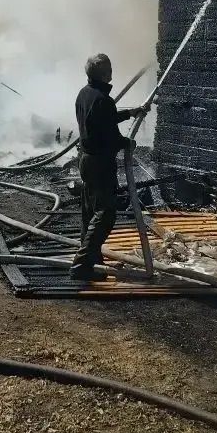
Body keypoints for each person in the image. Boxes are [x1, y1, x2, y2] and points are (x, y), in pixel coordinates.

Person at [70, 53, 143, 282]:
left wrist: (129, 113)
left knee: (89, 212)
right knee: (106, 214)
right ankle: (82, 264)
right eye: (109, 69)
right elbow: (110, 136)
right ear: (105, 74)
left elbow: (101, 120)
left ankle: (92, 260)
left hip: (86, 160)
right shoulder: (103, 100)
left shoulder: (84, 93)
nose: (112, 72)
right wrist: (127, 143)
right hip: (100, 163)